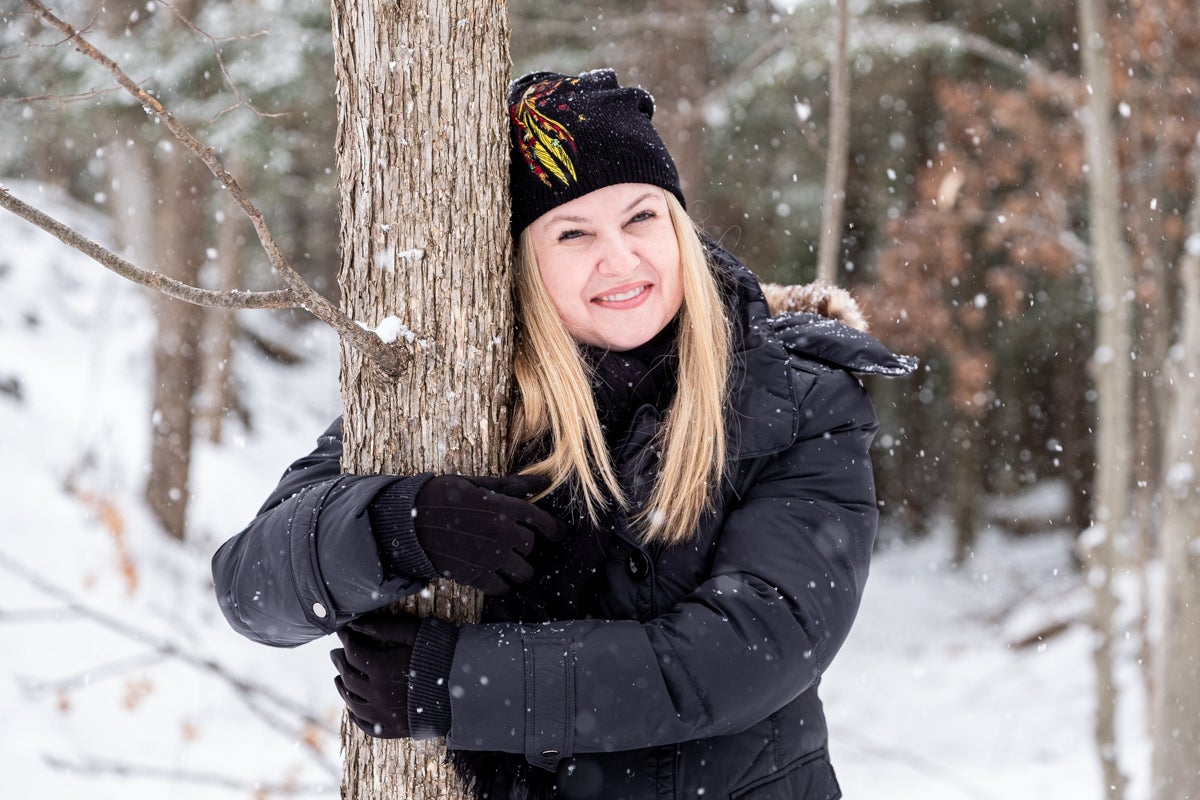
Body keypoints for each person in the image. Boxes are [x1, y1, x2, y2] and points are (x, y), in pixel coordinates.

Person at [212, 68, 916, 800]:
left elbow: (751, 651)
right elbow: (249, 590)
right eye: (573, 232)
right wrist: (399, 527)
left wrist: (457, 683)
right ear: (522, 261)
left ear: (678, 225)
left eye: (642, 217)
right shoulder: (463, 391)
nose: (620, 258)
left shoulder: (795, 395)